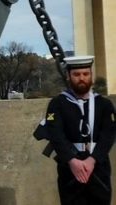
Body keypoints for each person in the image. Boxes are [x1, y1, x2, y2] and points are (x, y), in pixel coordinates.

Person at [45, 56, 116, 205]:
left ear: (91, 75)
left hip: (98, 164)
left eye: (86, 74)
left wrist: (92, 160)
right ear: (68, 77)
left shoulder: (104, 104)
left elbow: (108, 135)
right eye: (76, 75)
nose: (81, 78)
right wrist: (72, 161)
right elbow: (56, 134)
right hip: (69, 166)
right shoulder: (57, 103)